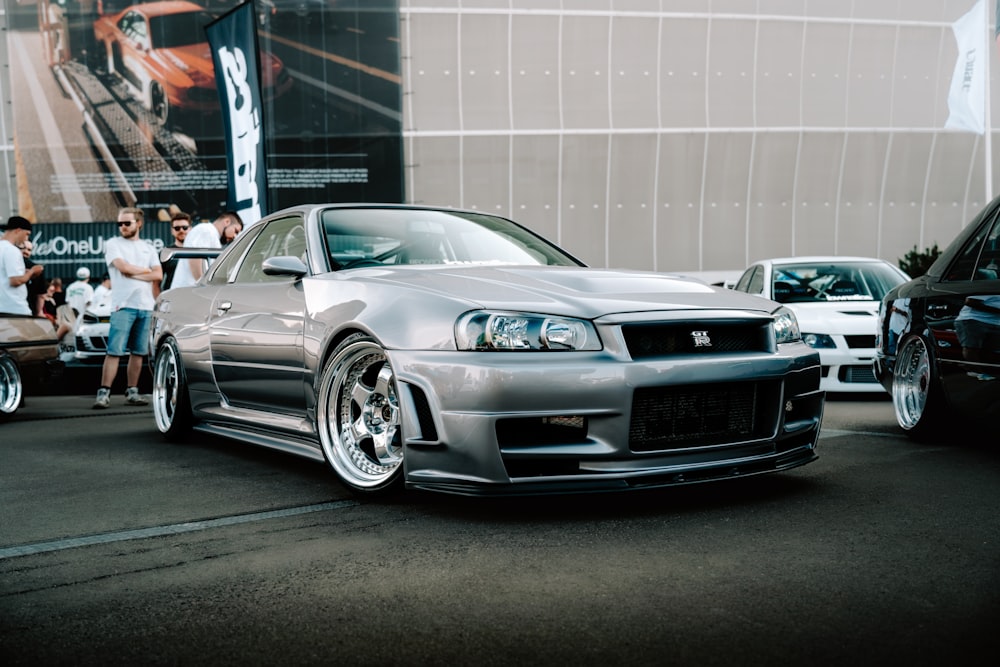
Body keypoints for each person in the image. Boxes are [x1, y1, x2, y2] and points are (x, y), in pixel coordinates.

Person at [93, 207, 162, 409]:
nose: (122, 227)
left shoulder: (148, 247)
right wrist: (146, 271)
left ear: (138, 224)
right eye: (119, 223)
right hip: (123, 305)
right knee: (114, 351)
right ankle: (103, 393)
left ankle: (132, 391)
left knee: (138, 352)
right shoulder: (113, 244)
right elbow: (123, 268)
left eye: (127, 223)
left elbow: (157, 276)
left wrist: (135, 273)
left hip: (146, 306)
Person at [183, 211, 243, 283]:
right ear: (227, 221)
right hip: (190, 290)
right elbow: (195, 260)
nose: (234, 236)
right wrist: (204, 286)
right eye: (236, 231)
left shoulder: (210, 233)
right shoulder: (207, 231)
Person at [0, 216, 44, 315]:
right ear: (18, 230)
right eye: (27, 234)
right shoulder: (12, 250)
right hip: (15, 309)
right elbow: (15, 281)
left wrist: (25, 274)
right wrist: (32, 271)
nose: (26, 238)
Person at [163, 211, 193, 289]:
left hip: (193, 296)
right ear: (172, 231)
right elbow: (156, 282)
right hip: (172, 297)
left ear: (190, 229)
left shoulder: (200, 252)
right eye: (177, 228)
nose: (181, 230)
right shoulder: (166, 252)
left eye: (185, 228)